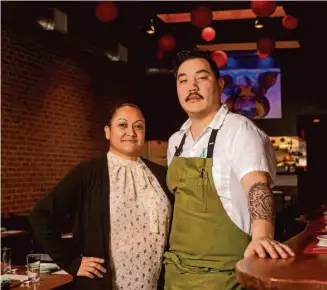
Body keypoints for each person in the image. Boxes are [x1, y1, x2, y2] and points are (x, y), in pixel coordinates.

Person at [163, 50, 295, 290]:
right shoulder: (176, 141)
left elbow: (257, 185)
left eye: (201, 78)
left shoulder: (239, 130)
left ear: (220, 84)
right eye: (183, 80)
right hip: (177, 275)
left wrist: (262, 236)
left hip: (225, 276)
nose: (192, 86)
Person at [29, 103, 171, 290]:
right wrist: (72, 262)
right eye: (122, 125)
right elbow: (40, 216)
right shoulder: (88, 173)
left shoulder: (161, 175)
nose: (131, 132)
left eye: (138, 126)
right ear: (107, 132)